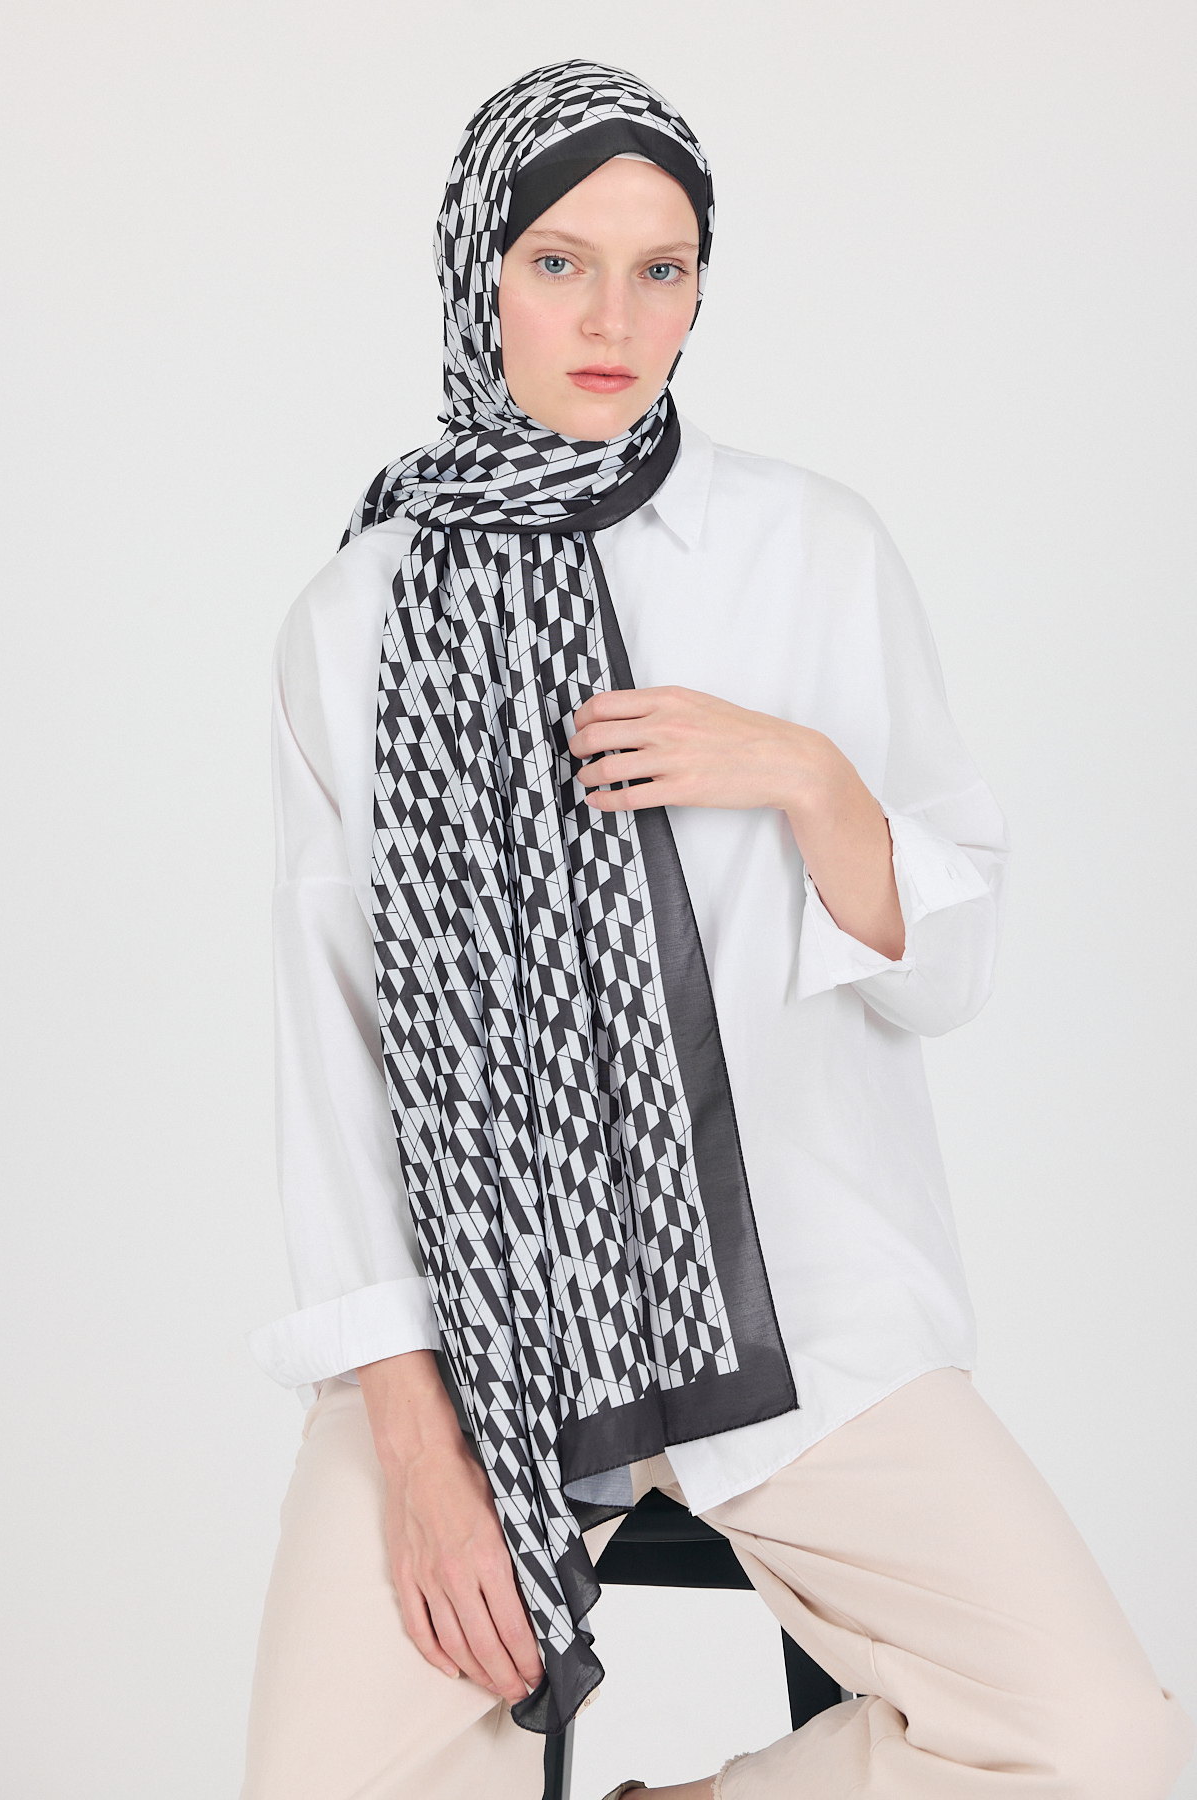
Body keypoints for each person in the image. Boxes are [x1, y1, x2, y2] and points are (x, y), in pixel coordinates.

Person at [239, 59, 1192, 1800]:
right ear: (477, 272)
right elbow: (338, 1050)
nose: (614, 319)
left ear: (700, 288)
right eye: (559, 262)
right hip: (482, 1336)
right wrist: (419, 1442)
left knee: (1103, 1752)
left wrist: (807, 779)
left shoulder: (811, 550)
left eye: (660, 268)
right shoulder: (357, 620)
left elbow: (951, 968)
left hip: (803, 1318)